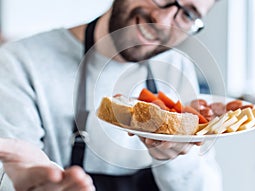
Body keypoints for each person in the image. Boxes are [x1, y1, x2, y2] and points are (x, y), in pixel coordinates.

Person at [0, 0, 223, 190]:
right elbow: (16, 172)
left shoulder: (177, 66)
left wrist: (174, 158)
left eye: (188, 14)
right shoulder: (19, 62)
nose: (162, 21)